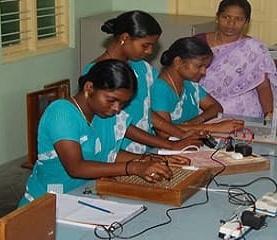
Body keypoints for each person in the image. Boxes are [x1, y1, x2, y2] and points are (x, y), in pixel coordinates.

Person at [20, 59, 189, 205]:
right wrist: (134, 167)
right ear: (89, 87)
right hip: (49, 200)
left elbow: (109, 153)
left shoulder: (103, 114)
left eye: (122, 104)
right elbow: (76, 167)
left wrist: (153, 160)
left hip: (83, 195)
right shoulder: (62, 113)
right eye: (111, 100)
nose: (116, 108)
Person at [87, 10, 203, 155]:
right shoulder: (97, 72)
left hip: (146, 147)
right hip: (118, 153)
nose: (149, 51)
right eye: (145, 45)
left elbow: (146, 113)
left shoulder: (142, 68)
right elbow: (120, 124)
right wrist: (169, 144)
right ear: (125, 38)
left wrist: (180, 134)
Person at [196, 0, 277, 118]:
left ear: (246, 22)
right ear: (217, 17)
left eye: (239, 19)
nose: (231, 23)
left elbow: (263, 86)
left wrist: (269, 115)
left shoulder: (253, 49)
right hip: (204, 109)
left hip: (244, 112)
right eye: (226, 17)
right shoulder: (198, 42)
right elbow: (185, 77)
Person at [151, 37, 243, 140]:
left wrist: (196, 120)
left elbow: (215, 107)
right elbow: (165, 132)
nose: (203, 72)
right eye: (199, 66)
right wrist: (213, 128)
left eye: (205, 67)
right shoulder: (159, 89)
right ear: (178, 62)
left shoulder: (189, 84)